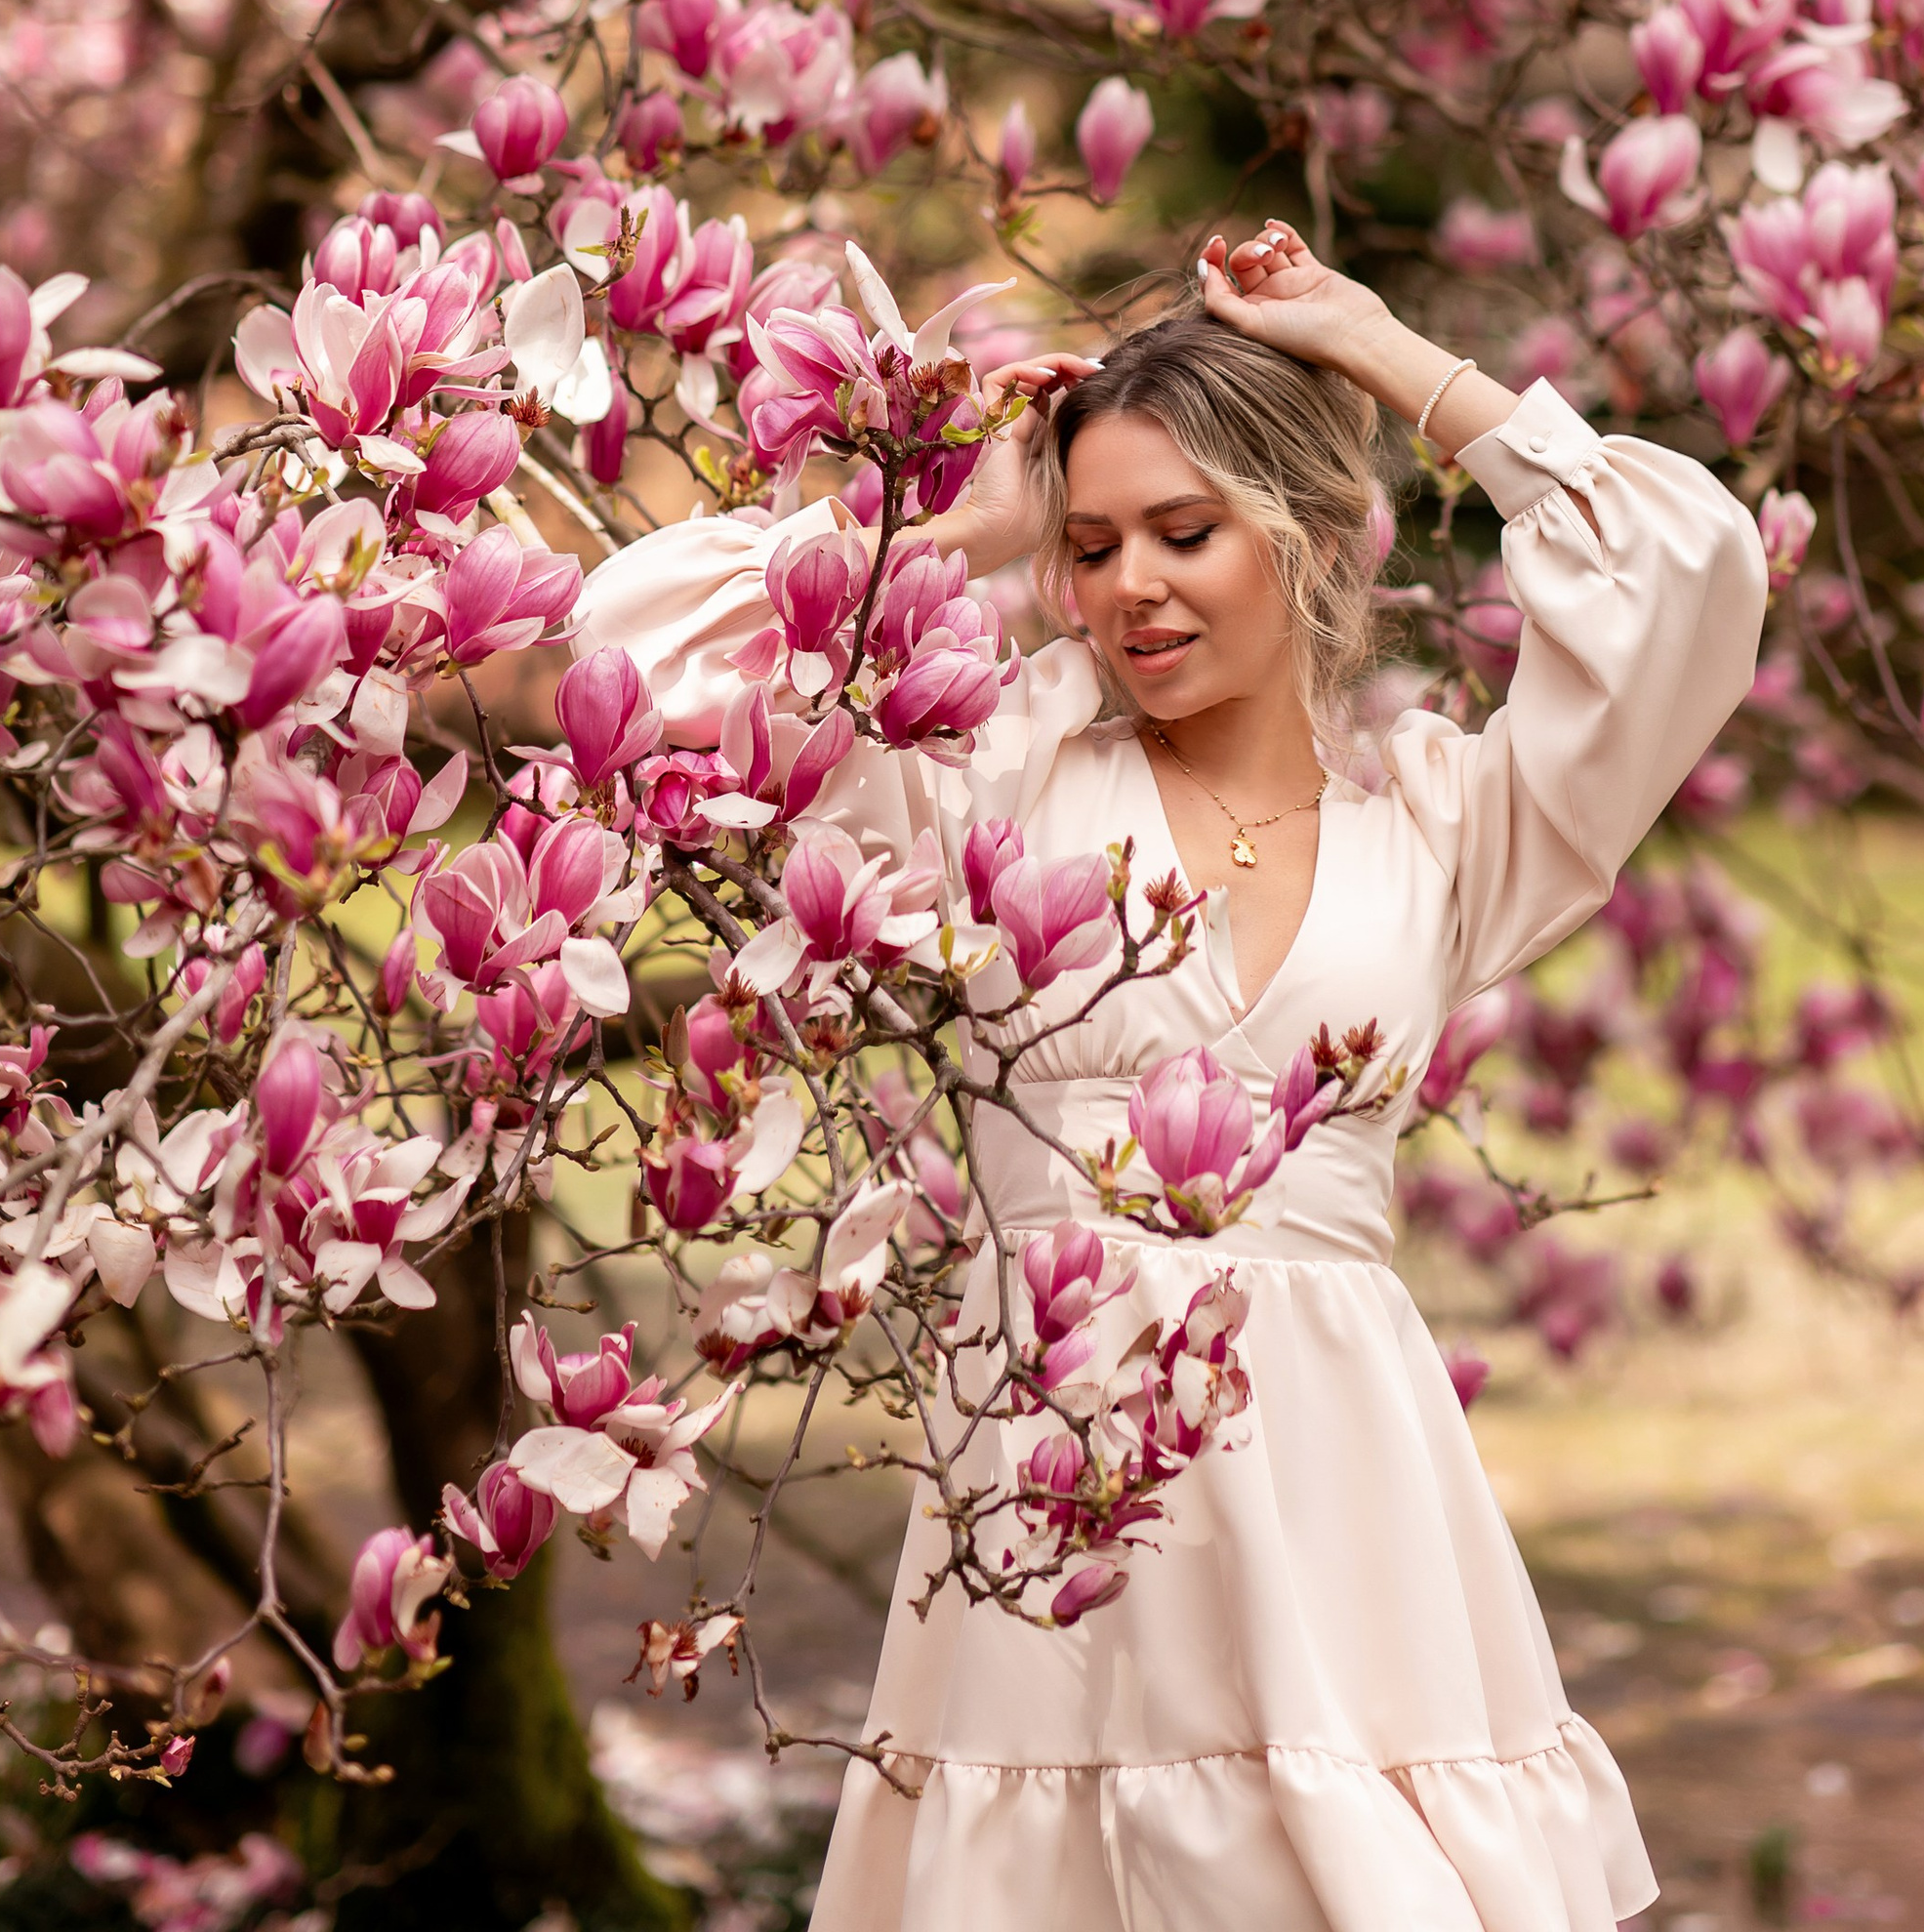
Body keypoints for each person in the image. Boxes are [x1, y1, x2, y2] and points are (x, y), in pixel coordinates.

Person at [583, 219, 1769, 1932]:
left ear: (1294, 538)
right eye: (1093, 545)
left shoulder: (1445, 832)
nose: (1129, 584)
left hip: (1346, 1510)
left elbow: (1688, 578)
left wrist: (1384, 354)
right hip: (1060, 1490)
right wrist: (962, 522)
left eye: (1185, 533)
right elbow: (648, 654)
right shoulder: (985, 780)